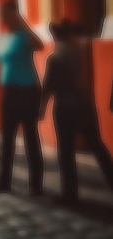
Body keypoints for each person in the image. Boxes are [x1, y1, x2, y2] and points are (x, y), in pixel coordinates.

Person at [40, 20, 113, 206]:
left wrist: (41, 108)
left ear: (55, 35)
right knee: (96, 145)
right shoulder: (80, 52)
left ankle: (70, 194)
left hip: (64, 107)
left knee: (65, 151)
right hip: (84, 104)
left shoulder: (54, 58)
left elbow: (48, 86)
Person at [0, 1, 44, 196]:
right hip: (9, 92)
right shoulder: (2, 39)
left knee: (30, 137)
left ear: (15, 16)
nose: (4, 18)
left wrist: (24, 24)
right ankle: (4, 181)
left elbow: (40, 45)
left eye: (8, 14)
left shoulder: (24, 35)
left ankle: (36, 185)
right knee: (7, 138)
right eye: (2, 15)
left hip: (28, 91)